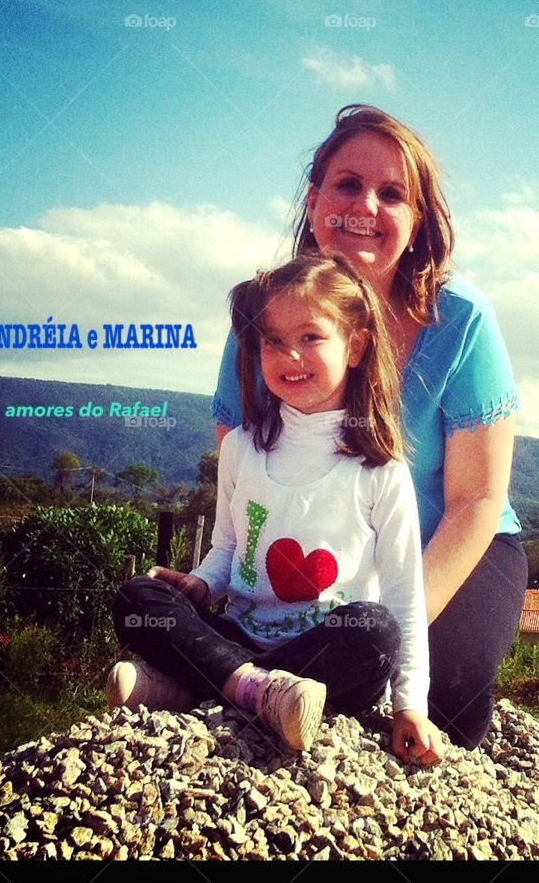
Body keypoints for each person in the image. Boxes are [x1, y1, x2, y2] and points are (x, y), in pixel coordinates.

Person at [212, 105, 528, 757]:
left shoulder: (461, 319)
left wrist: (392, 622)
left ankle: (233, 677)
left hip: (449, 544)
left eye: (392, 194)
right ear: (314, 198)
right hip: (304, 547)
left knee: (446, 703)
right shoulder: (266, 309)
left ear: (416, 222)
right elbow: (239, 466)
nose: (366, 206)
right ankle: (250, 678)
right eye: (348, 184)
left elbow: (476, 499)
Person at [110, 254, 445, 763]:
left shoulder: (381, 470)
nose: (290, 355)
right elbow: (227, 548)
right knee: (138, 598)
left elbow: (404, 596)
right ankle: (255, 691)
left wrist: (410, 705)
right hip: (240, 633)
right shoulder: (241, 448)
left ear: (354, 346)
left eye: (311, 337)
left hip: (327, 657)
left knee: (375, 628)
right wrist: (200, 583)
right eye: (273, 340)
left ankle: (195, 688)